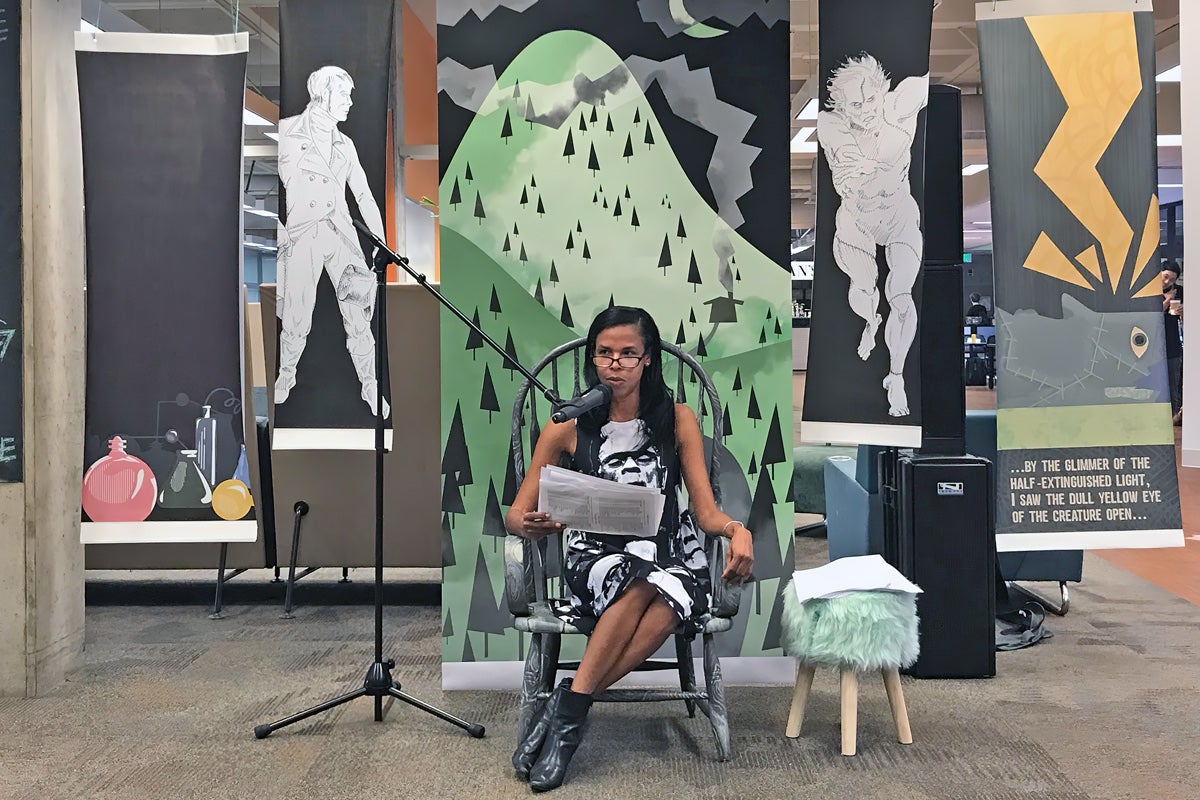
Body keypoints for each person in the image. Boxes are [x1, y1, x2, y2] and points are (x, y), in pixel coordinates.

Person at [504, 306, 754, 792]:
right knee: (642, 581)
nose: (614, 363)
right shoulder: (567, 425)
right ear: (593, 359)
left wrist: (736, 529)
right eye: (604, 353)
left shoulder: (677, 418)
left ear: (647, 360)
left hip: (664, 550)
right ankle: (570, 719)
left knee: (667, 586)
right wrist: (529, 524)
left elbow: (704, 510)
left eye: (627, 354)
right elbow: (517, 511)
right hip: (593, 557)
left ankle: (567, 706)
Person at [274, 65, 389, 417]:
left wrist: (381, 243)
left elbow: (364, 195)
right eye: (345, 95)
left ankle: (370, 385)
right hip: (303, 235)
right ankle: (287, 374)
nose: (351, 103)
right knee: (296, 317)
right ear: (323, 95)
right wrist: (280, 231)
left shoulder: (345, 145)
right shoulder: (287, 133)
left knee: (358, 318)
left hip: (340, 236)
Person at [818, 54, 929, 417]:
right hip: (857, 220)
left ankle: (895, 377)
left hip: (898, 214)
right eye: (855, 104)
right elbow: (857, 173)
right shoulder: (831, 127)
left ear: (883, 92)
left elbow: (924, 80)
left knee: (901, 295)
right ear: (841, 107)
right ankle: (870, 321)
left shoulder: (900, 104)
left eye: (870, 100)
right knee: (866, 291)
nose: (865, 110)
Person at [1162, 261, 1184, 425]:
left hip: (1172, 344)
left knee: (1173, 384)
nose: (1168, 282)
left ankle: (1173, 419)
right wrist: (1166, 301)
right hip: (1151, 345)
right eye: (1166, 277)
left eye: (1172, 279)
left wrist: (1184, 313)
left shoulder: (1180, 292)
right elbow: (1149, 318)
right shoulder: (1148, 293)